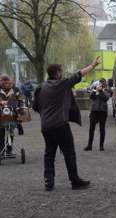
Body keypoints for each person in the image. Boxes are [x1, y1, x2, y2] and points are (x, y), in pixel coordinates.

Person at [33, 57, 101, 191]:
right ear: (57, 73)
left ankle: (49, 181)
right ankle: (74, 180)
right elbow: (79, 74)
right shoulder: (60, 84)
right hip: (60, 125)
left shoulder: (40, 87)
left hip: (46, 126)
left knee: (49, 153)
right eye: (61, 72)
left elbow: (35, 106)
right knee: (69, 152)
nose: (62, 74)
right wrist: (93, 65)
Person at [0, 75, 24, 156]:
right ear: (1, 82)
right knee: (1, 133)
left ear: (10, 82)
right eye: (4, 81)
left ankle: (9, 150)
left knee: (11, 131)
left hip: (12, 115)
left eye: (7, 81)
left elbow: (20, 100)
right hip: (1, 116)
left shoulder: (16, 90)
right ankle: (2, 151)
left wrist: (21, 108)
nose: (6, 83)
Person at [84, 78, 110, 151]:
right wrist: (95, 89)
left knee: (102, 129)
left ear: (105, 83)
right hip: (94, 111)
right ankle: (89, 145)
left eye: (103, 82)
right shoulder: (96, 89)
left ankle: (101, 146)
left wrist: (101, 91)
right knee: (91, 129)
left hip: (103, 111)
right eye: (100, 82)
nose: (101, 84)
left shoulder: (107, 90)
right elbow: (91, 97)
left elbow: (105, 98)